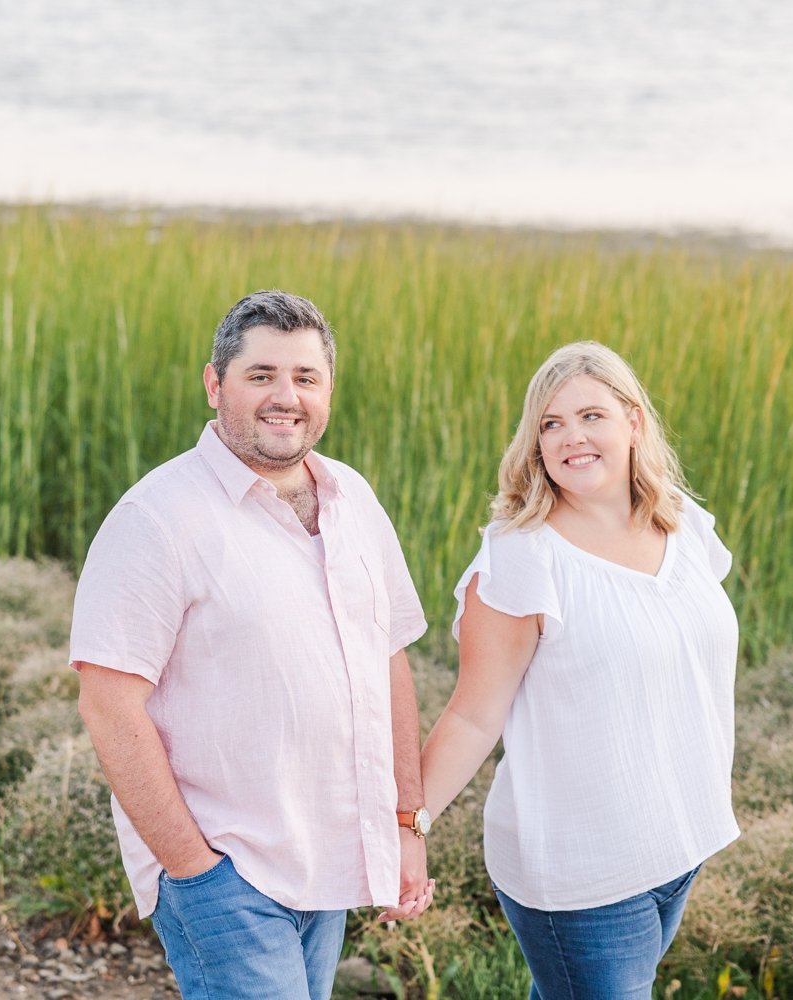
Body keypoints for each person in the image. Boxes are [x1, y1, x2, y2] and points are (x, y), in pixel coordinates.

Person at [70, 290, 435, 1000]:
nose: (285, 397)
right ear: (215, 383)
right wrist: (194, 869)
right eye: (261, 375)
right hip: (226, 870)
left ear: (328, 389)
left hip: (328, 864)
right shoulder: (156, 517)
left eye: (305, 378)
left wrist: (404, 824)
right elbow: (109, 705)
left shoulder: (353, 499)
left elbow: (386, 659)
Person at [420, 341, 739, 998]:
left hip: (679, 843)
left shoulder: (682, 523)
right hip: (582, 868)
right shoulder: (521, 557)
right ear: (535, 443)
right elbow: (475, 714)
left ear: (634, 422)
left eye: (591, 415)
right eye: (551, 423)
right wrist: (406, 826)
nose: (573, 437)